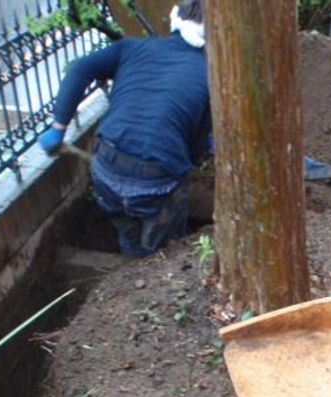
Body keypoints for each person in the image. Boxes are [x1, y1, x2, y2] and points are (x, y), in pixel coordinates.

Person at [38, 0, 211, 257]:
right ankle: (147, 265)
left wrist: (58, 128)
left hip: (107, 164)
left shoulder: (133, 47)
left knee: (127, 229)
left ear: (175, 17)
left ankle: (131, 257)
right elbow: (196, 147)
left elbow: (80, 70)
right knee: (163, 249)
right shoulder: (210, 75)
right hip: (158, 178)